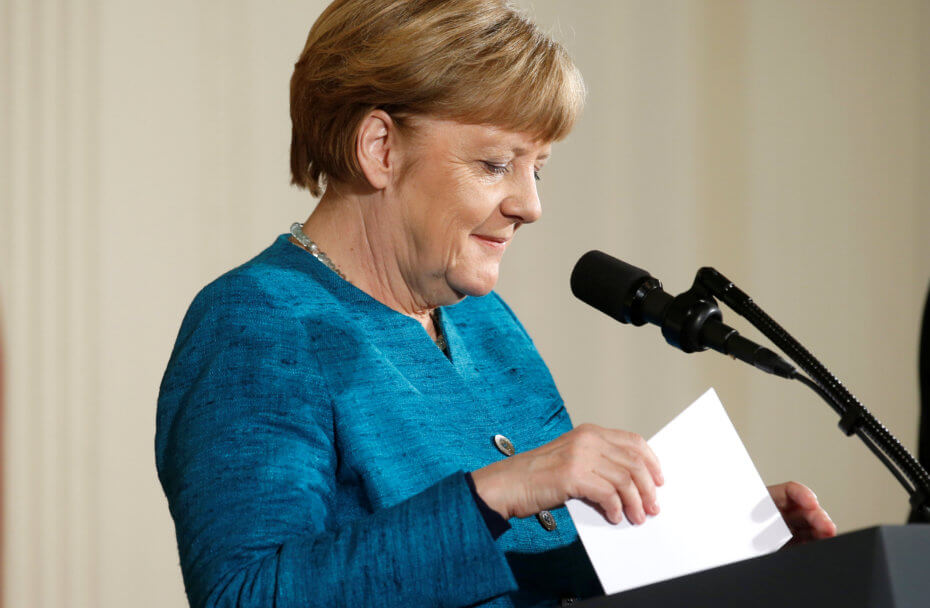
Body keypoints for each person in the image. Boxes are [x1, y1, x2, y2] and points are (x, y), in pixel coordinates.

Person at [155, 1, 836, 606]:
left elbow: (522, 579)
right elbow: (247, 595)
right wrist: (494, 492)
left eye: (537, 168)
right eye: (494, 164)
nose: (530, 206)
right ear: (380, 148)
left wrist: (709, 556)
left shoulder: (483, 324)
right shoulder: (258, 324)